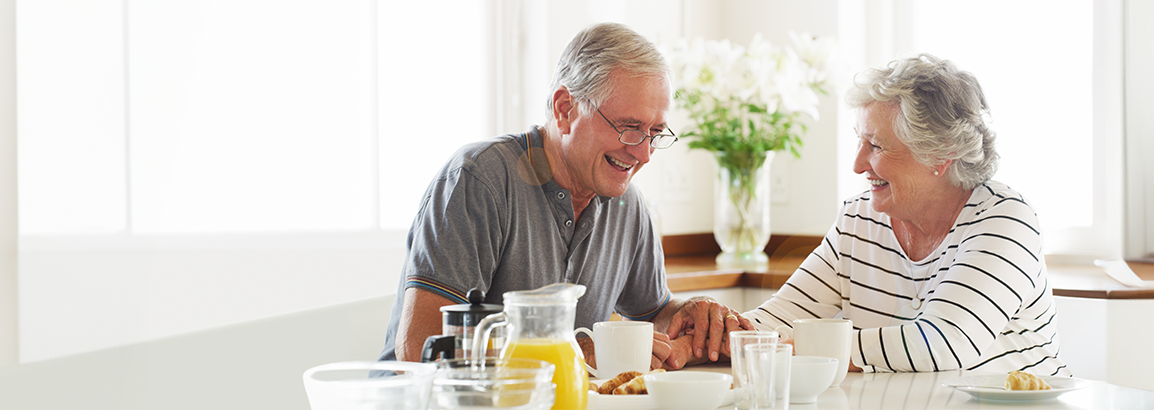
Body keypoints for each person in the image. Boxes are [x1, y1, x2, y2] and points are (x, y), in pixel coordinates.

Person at [377, 22, 743, 370]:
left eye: (655, 132)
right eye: (630, 128)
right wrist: (573, 352)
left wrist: (689, 314)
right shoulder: (478, 180)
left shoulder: (627, 205)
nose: (644, 153)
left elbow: (651, 313)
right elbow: (421, 348)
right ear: (564, 109)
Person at [733, 54, 1069, 375]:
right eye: (859, 141)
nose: (857, 164)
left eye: (876, 146)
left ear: (940, 155)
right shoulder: (858, 219)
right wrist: (712, 335)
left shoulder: (1006, 220)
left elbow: (944, 342)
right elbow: (777, 319)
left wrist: (805, 348)